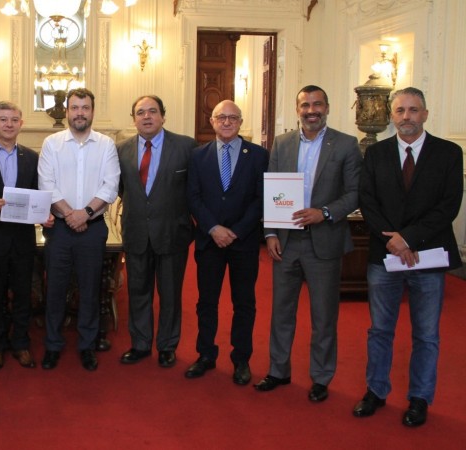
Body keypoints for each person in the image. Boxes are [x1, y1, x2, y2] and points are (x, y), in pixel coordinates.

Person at [354, 87, 463, 427]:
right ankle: (376, 390)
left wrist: (409, 238)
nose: (406, 117)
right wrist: (394, 241)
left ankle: (419, 398)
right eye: (400, 111)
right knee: (380, 330)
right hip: (384, 255)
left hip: (427, 255)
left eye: (413, 110)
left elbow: (449, 205)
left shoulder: (448, 153)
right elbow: (367, 201)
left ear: (425, 114)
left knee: (426, 334)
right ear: (391, 115)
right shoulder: (375, 154)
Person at [254, 85, 361, 402]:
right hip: (286, 242)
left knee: (324, 315)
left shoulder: (345, 144)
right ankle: (278, 371)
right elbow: (271, 188)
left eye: (317, 104)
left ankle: (321, 377)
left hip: (324, 242)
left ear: (327, 107)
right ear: (297, 108)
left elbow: (355, 193)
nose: (311, 110)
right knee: (281, 312)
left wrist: (324, 212)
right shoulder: (282, 143)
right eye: (305, 105)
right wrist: (270, 233)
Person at [0, 101, 54, 371]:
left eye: (14, 119)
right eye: (3, 119)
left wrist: (44, 214)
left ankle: (21, 344)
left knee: (23, 294)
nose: (9, 124)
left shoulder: (31, 157)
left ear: (21, 123)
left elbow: (37, 195)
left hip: (23, 239)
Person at [185, 100, 268, 384]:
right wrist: (213, 228)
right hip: (210, 242)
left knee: (244, 302)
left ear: (241, 121)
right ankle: (206, 354)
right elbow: (193, 197)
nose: (227, 122)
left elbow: (261, 199)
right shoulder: (198, 156)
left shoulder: (258, 155)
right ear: (212, 121)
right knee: (206, 302)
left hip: (243, 243)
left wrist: (238, 230)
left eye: (233, 117)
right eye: (222, 117)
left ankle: (241, 359)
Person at [38, 88, 120, 371]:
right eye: (75, 107)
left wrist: (84, 213)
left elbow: (110, 186)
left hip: (93, 228)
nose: (80, 113)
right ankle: (52, 345)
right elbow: (47, 185)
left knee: (90, 289)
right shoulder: (52, 143)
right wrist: (69, 214)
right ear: (69, 110)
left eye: (85, 107)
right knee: (56, 289)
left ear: (92, 112)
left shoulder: (106, 145)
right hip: (60, 229)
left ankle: (87, 345)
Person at [116, 95, 196, 368]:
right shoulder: (121, 150)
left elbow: (195, 190)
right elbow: (118, 189)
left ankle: (167, 345)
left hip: (173, 234)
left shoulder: (186, 147)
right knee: (138, 291)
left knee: (170, 294)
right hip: (136, 231)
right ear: (134, 119)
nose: (147, 116)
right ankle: (140, 344)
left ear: (163, 116)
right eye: (140, 112)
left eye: (152, 111)